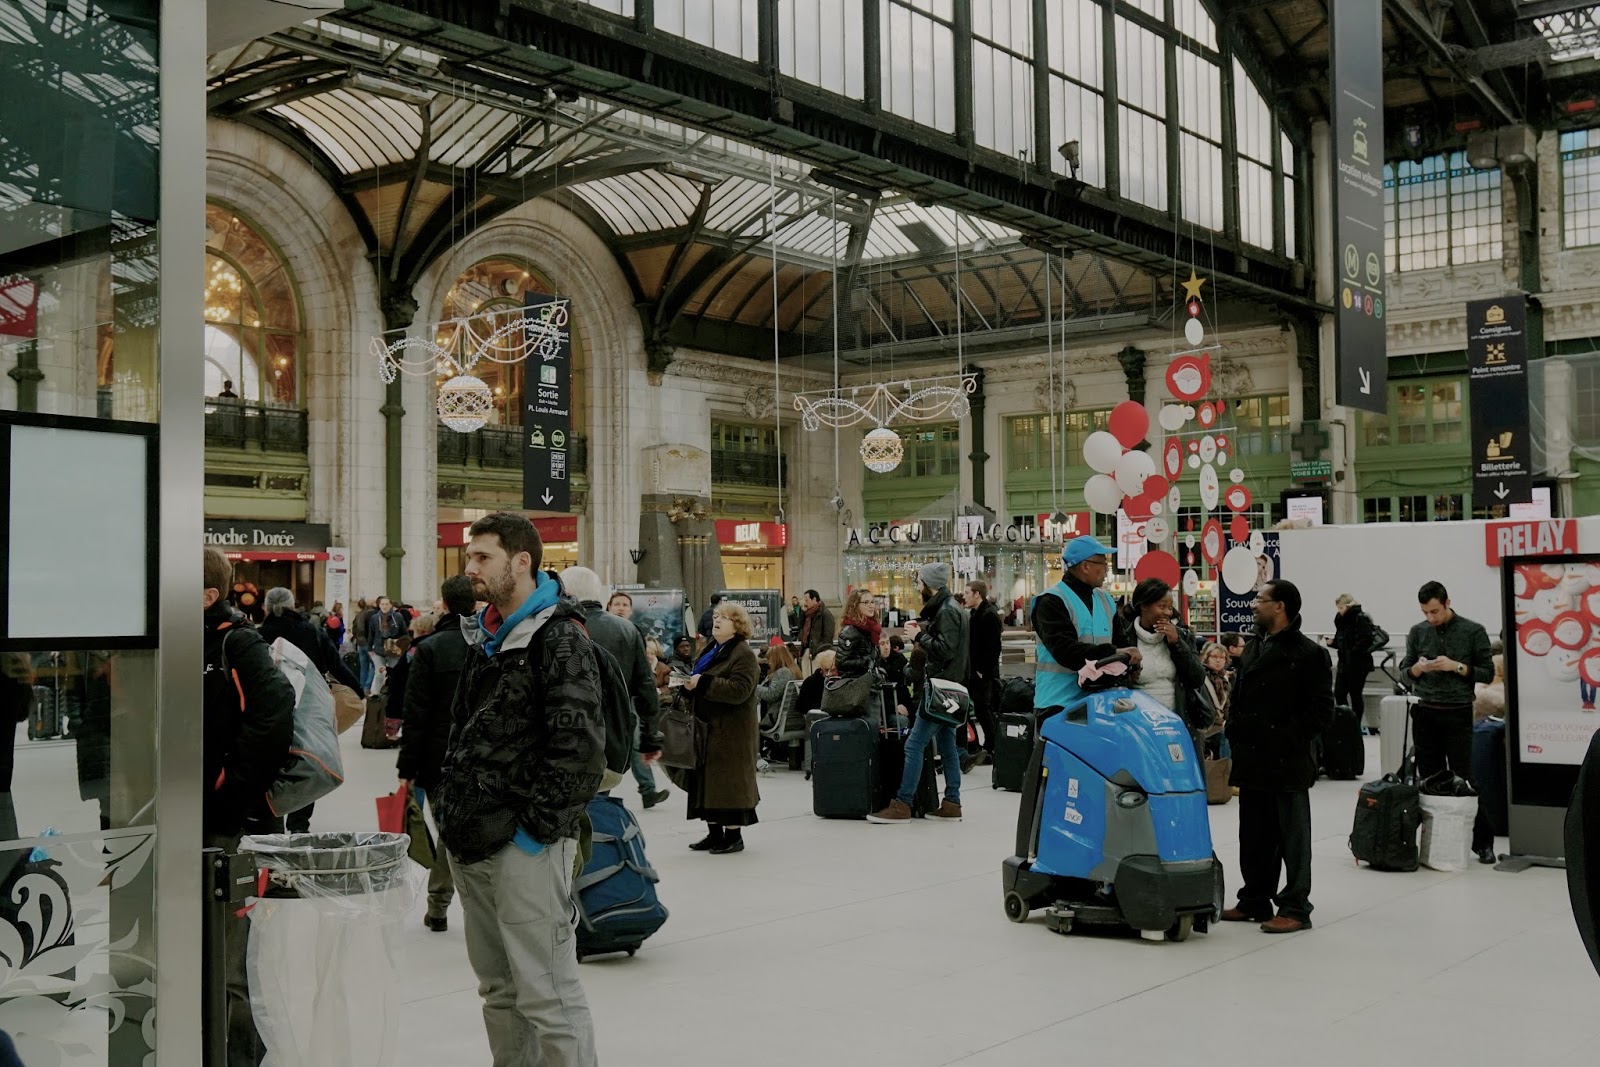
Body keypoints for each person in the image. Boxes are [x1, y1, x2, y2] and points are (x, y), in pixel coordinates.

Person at [433, 513, 604, 1066]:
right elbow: (463, 730)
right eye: (469, 557)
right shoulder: (486, 637)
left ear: (522, 561)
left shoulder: (558, 637)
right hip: (470, 842)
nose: (471, 568)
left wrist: (533, 836)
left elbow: (578, 752)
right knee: (499, 992)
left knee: (547, 995)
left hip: (522, 848)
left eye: (483, 557)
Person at [202, 548, 296, 1066]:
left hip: (230, 826)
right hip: (181, 819)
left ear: (209, 596)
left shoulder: (238, 643)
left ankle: (239, 1057)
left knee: (231, 963)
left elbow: (271, 721)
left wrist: (229, 794)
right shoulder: (173, 644)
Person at [1221, 579, 1333, 934]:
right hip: (1252, 756)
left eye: (1260, 599)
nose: (1253, 605)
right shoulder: (1254, 647)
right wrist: (1233, 726)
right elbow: (1239, 696)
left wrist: (1286, 736)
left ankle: (1296, 906)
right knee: (1253, 835)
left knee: (1292, 838)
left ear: (1280, 606)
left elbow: (1320, 712)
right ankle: (1255, 898)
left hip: (1287, 758)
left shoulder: (1309, 654)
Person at [396, 576, 475, 933]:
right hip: (483, 757)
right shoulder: (491, 644)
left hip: (437, 759)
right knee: (464, 834)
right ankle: (461, 907)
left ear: (443, 603)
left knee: (449, 834)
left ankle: (439, 906)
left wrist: (406, 767)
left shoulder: (428, 649)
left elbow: (417, 715)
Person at [1399, 580, 1497, 865]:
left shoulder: (1473, 631)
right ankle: (1434, 842)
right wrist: (1417, 668)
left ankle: (1483, 843)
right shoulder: (1418, 632)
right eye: (1426, 612)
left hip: (1457, 711)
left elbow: (1487, 673)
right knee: (1429, 780)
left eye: (1435, 612)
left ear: (1447, 603)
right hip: (1425, 711)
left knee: (1463, 778)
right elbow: (1406, 672)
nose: (1431, 618)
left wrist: (1456, 666)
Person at [868, 563, 967, 824]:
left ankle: (903, 803)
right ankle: (952, 801)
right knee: (947, 746)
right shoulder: (954, 608)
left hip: (939, 688)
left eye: (919, 582)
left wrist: (919, 636)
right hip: (951, 688)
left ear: (928, 584)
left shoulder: (946, 611)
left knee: (913, 744)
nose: (917, 587)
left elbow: (945, 650)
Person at [260, 587, 363, 835]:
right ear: (293, 604)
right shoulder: (311, 632)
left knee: (271, 763)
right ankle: (299, 824)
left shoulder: (258, 634)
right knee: (307, 761)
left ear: (265, 607)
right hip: (308, 710)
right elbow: (336, 664)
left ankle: (271, 819)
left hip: (269, 712)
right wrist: (357, 690)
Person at [562, 566, 667, 809]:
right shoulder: (627, 630)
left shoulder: (559, 628)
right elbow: (645, 687)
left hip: (569, 734)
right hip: (614, 730)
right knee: (600, 798)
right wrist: (650, 737)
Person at [683, 601, 762, 854]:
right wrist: (688, 685)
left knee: (729, 785)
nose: (716, 620)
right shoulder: (712, 649)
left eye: (724, 618)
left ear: (737, 625)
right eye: (716, 616)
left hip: (732, 733)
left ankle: (733, 836)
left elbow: (739, 690)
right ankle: (714, 833)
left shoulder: (743, 654)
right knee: (709, 784)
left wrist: (703, 683)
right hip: (709, 729)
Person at [1032, 536, 1139, 714]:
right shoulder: (1051, 601)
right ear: (1085, 566)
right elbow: (1066, 651)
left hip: (1101, 702)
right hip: (1058, 704)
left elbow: (1120, 643)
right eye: (1103, 563)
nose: (1106, 570)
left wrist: (1130, 663)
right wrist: (1114, 653)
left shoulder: (1106, 600)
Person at [1114, 578, 1209, 752]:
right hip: (1138, 727)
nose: (1167, 612)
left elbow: (1197, 678)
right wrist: (1128, 676)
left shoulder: (1182, 636)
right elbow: (1114, 686)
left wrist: (1177, 644)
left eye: (1169, 607)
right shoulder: (1124, 638)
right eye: (1161, 606)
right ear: (1143, 606)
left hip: (1178, 723)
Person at [964, 579, 1003, 761]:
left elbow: (993, 647)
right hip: (975, 669)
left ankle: (992, 746)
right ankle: (984, 745)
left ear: (976, 594)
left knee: (983, 708)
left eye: (967, 593)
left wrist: (983, 670)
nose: (965, 597)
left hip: (982, 671)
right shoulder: (976, 613)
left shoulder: (988, 615)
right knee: (979, 708)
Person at [1329, 593, 1380, 714]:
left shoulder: (1359, 618)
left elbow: (1366, 639)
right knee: (1339, 693)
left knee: (1355, 695)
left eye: (1341, 608)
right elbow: (1341, 640)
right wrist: (1332, 643)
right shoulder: (1341, 621)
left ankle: (1354, 725)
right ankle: (1346, 722)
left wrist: (1352, 651)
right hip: (1345, 663)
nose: (1339, 611)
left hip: (1358, 664)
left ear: (1347, 606)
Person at [366, 596, 408, 697]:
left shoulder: (397, 617)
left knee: (395, 672)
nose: (384, 606)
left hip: (393, 650)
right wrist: (369, 648)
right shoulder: (375, 618)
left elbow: (404, 633)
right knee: (379, 673)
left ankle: (396, 693)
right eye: (382, 604)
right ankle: (374, 695)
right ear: (379, 605)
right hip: (378, 650)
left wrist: (401, 645)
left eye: (386, 604)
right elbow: (371, 634)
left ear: (391, 605)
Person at [835, 588, 881, 678]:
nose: (871, 606)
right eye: (866, 602)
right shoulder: (850, 631)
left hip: (868, 682)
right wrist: (867, 660)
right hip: (855, 684)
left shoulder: (871, 628)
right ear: (855, 605)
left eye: (872, 602)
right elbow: (841, 663)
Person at [1200, 641, 1232, 758]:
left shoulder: (1225, 680)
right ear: (1206, 658)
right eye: (1214, 657)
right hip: (1206, 727)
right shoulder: (1201, 678)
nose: (1218, 660)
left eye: (1222, 657)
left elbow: (1227, 705)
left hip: (1220, 725)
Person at [756, 644, 799, 727]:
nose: (769, 663)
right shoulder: (794, 670)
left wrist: (754, 686)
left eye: (770, 659)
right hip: (790, 718)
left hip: (776, 719)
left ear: (776, 659)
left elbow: (772, 694)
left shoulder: (783, 672)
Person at [799, 589, 836, 661]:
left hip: (818, 652)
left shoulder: (825, 613)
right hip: (806, 651)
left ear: (814, 599)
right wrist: (802, 612)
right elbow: (800, 626)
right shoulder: (807, 614)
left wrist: (820, 650)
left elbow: (828, 635)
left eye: (807, 600)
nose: (805, 603)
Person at [351, 597, 375, 693]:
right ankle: (367, 686)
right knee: (374, 665)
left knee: (363, 667)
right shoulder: (371, 614)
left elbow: (354, 629)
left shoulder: (358, 615)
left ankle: (362, 686)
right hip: (367, 642)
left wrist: (357, 637)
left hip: (360, 643)